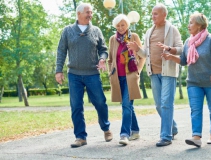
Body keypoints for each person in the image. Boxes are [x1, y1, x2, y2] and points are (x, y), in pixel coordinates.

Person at [161, 13, 211, 147]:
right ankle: (196, 137)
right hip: (194, 82)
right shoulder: (188, 42)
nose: (188, 25)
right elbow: (183, 60)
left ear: (200, 25)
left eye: (191, 23)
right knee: (195, 109)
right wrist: (171, 57)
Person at [55, 2, 112, 148]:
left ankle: (106, 128)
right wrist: (58, 70)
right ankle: (80, 137)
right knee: (76, 106)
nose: (90, 14)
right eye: (88, 12)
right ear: (79, 14)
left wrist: (102, 59)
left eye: (91, 12)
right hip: (74, 74)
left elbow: (103, 49)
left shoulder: (96, 30)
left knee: (100, 102)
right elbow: (61, 51)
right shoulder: (67, 31)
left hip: (92, 73)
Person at [127, 3, 183, 147]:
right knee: (159, 105)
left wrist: (170, 50)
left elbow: (181, 49)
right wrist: (137, 49)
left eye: (156, 14)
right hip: (153, 72)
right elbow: (145, 53)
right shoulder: (149, 31)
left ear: (164, 15)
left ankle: (166, 136)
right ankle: (173, 127)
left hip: (168, 73)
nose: (153, 16)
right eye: (152, 14)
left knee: (166, 104)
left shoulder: (172, 30)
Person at [108, 14, 145, 145]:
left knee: (126, 105)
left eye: (122, 25)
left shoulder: (134, 37)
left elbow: (142, 56)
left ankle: (124, 134)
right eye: (118, 26)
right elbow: (110, 60)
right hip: (118, 78)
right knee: (128, 105)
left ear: (127, 25)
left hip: (131, 77)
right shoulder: (113, 39)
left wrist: (138, 71)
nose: (120, 28)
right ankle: (135, 130)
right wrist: (110, 73)